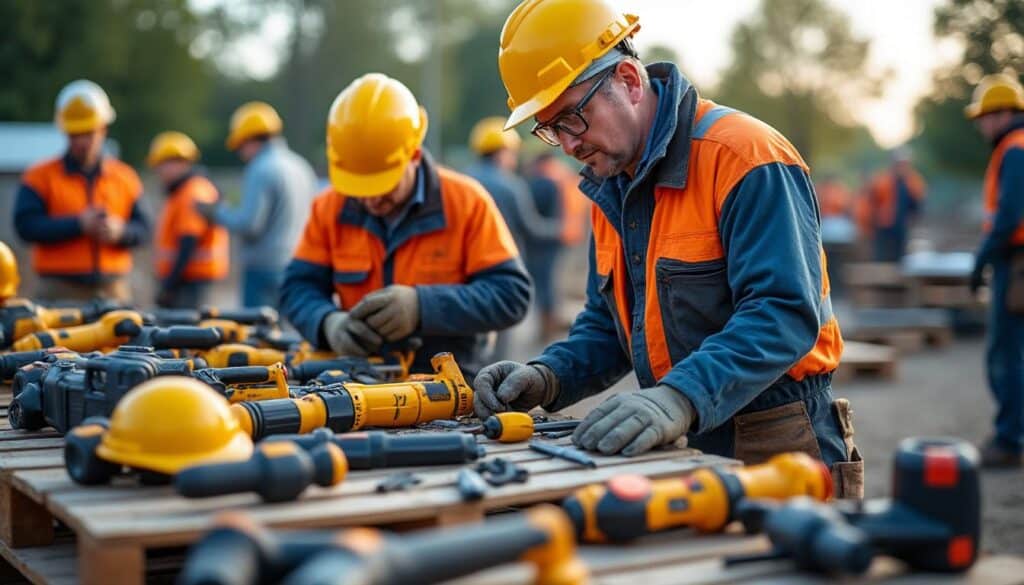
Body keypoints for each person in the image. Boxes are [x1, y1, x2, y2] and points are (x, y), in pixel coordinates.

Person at [473, 0, 861, 497]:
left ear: (630, 82)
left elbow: (783, 314)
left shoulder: (744, 158)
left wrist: (679, 396)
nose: (567, 146)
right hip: (681, 430)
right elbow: (609, 324)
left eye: (572, 117)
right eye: (550, 129)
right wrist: (549, 376)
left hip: (778, 437)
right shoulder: (609, 185)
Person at [279, 74, 531, 377]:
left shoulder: (466, 202)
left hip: (449, 384)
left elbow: (510, 295)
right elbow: (296, 287)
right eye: (360, 186)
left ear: (413, 154)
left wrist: (422, 306)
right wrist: (326, 322)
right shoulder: (329, 207)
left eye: (383, 185)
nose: (371, 199)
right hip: (357, 380)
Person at [13, 80, 148, 302]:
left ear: (103, 128)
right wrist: (78, 224)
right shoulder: (39, 176)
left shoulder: (125, 177)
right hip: (58, 290)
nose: (82, 141)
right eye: (74, 134)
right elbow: (26, 226)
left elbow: (144, 228)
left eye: (88, 133)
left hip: (113, 290)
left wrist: (121, 232)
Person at [196, 102, 318, 308]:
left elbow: (249, 224)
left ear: (250, 140)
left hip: (262, 269)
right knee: (287, 336)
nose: (241, 153)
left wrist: (216, 212)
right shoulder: (301, 166)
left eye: (240, 146)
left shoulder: (261, 169)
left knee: (257, 336)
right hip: (297, 264)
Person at [965, 72, 1024, 467]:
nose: (981, 123)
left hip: (1016, 262)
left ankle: (1008, 440)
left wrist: (982, 258)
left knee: (1005, 354)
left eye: (986, 115)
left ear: (1004, 113)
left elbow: (1008, 216)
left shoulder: (1014, 149)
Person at [146, 132, 229, 308]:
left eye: (162, 165)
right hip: (189, 280)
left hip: (190, 282)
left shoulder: (192, 192)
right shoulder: (184, 191)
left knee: (184, 332)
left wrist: (169, 285)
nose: (159, 171)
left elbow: (188, 242)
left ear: (178, 162)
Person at [863, 148, 927, 262]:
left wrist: (914, 221)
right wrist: (870, 221)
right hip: (884, 226)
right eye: (899, 163)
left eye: (904, 164)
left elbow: (918, 204)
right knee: (882, 256)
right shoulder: (882, 181)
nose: (901, 167)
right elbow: (870, 203)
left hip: (903, 226)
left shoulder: (914, 182)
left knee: (901, 256)